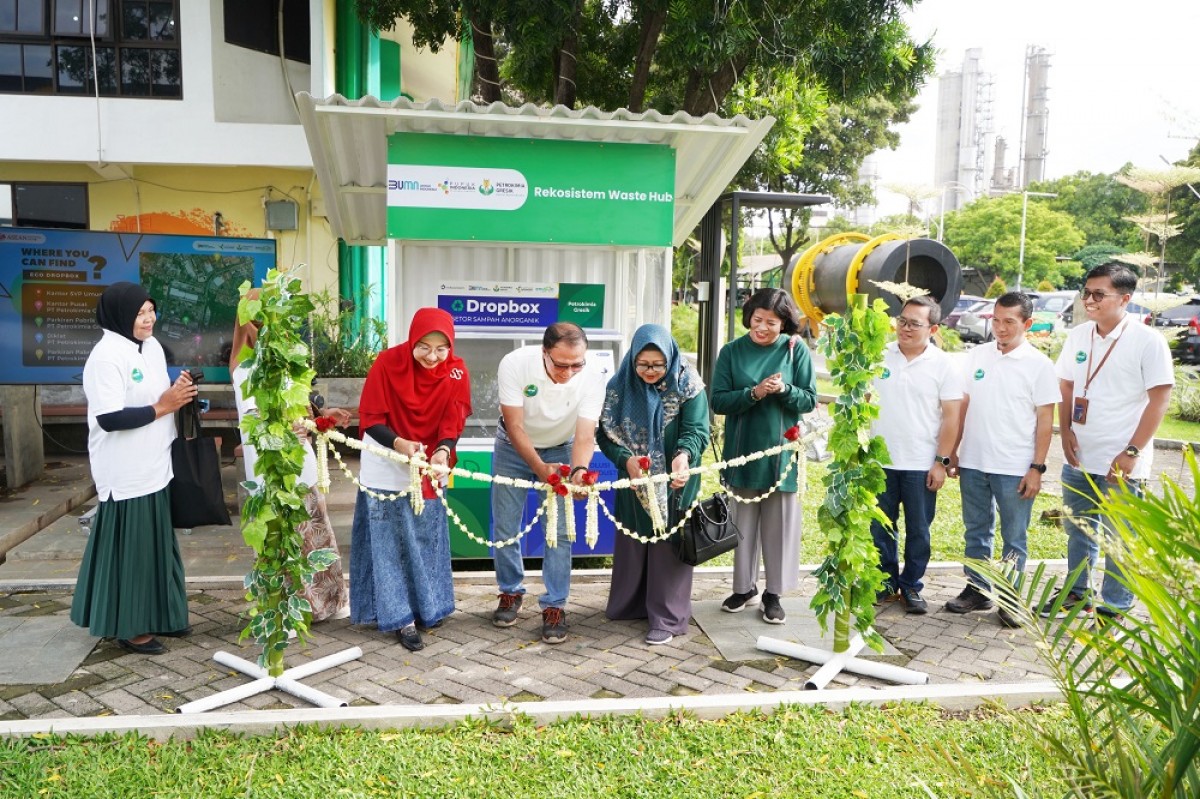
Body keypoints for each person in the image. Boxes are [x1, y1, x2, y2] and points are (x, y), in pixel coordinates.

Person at [70, 282, 197, 655]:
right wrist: (164, 407)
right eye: (141, 314)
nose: (149, 319)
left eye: (151, 311)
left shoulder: (152, 347)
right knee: (133, 552)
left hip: (155, 464)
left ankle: (163, 614)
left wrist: (177, 391)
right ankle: (129, 625)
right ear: (121, 316)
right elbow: (109, 418)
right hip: (125, 472)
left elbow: (155, 398)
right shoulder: (106, 356)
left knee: (158, 546)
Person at [1047, 263, 1173, 619]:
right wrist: (1067, 429)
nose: (1089, 300)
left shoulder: (1148, 341)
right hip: (1081, 456)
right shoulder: (1079, 335)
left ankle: (1115, 606)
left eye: (1098, 294)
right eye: (1086, 292)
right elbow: (1067, 385)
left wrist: (1133, 451)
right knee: (1079, 531)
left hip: (1123, 460)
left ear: (1126, 299)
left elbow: (1159, 399)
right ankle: (1077, 593)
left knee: (1120, 538)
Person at [350, 308, 472, 651]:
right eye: (424, 347)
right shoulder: (388, 363)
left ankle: (428, 607)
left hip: (429, 463)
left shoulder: (457, 372)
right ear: (412, 340)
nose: (432, 357)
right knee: (389, 540)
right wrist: (401, 444)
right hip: (387, 460)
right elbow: (371, 418)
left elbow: (454, 420)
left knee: (426, 535)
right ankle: (400, 617)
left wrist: (443, 452)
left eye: (441, 349)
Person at [230, 306, 351, 623]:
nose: (266, 329)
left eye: (274, 321)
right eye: (258, 322)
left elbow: (306, 418)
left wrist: (325, 418)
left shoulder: (292, 367)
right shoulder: (245, 368)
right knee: (276, 539)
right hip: (267, 472)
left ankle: (325, 604)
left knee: (313, 533)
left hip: (301, 466)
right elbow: (259, 422)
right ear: (246, 326)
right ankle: (282, 608)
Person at [945, 292, 1058, 627]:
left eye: (1009, 321)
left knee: (1014, 535)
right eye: (996, 320)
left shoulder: (1040, 365)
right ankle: (977, 587)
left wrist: (1036, 467)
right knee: (976, 530)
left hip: (1014, 466)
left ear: (1027, 324)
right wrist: (953, 449)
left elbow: (1045, 422)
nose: (1001, 327)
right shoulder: (978, 355)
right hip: (974, 462)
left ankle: (1010, 597)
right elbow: (963, 407)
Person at [490, 322, 607, 644]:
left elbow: (585, 435)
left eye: (576, 364)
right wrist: (540, 468)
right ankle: (510, 592)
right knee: (506, 526)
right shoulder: (515, 363)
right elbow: (514, 425)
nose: (569, 372)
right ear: (544, 353)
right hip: (513, 447)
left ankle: (555, 605)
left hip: (562, 447)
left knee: (559, 531)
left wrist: (580, 472)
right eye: (561, 364)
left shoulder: (594, 373)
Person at [598, 324, 710, 646]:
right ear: (632, 359)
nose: (649, 371)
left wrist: (683, 457)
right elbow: (605, 433)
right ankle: (631, 604)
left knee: (668, 540)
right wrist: (624, 459)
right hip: (634, 477)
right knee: (634, 538)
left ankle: (667, 617)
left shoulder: (688, 384)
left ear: (670, 359)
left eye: (657, 365)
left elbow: (698, 430)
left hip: (676, 476)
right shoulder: (620, 385)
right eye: (642, 364)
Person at [711, 288, 817, 624]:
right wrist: (753, 393)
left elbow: (810, 400)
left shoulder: (794, 351)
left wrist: (784, 390)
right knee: (742, 523)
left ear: (784, 323)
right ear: (749, 317)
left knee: (779, 525)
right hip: (741, 452)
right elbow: (718, 401)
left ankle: (774, 593)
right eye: (757, 320)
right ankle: (743, 587)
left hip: (781, 454)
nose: (763, 327)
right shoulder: (731, 352)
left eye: (772, 322)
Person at [870, 295, 963, 615]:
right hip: (880, 461)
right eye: (902, 320)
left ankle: (911, 586)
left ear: (933, 328)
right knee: (880, 526)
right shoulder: (879, 355)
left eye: (914, 323)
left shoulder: (944, 365)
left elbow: (952, 417)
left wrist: (941, 462)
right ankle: (884, 582)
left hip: (921, 463)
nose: (905, 328)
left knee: (919, 530)